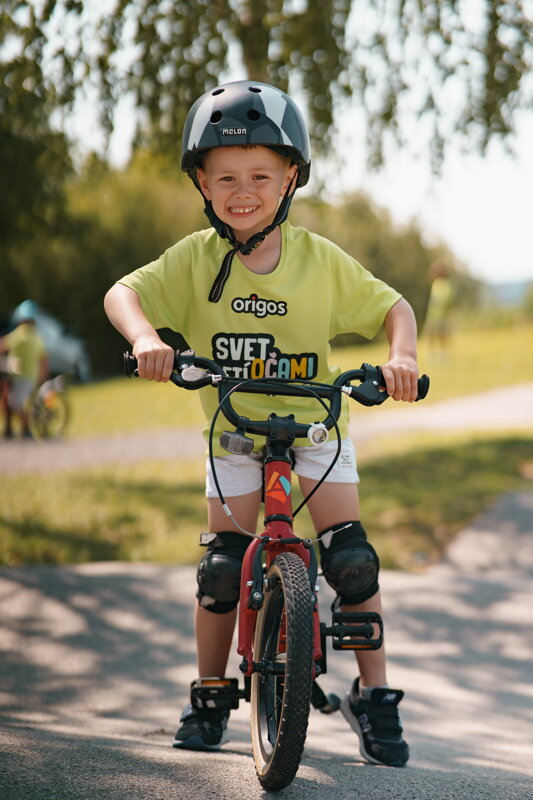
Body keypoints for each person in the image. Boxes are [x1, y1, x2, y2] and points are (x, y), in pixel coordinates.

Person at [104, 81, 419, 767]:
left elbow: (393, 305)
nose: (241, 191)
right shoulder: (192, 261)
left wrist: (401, 357)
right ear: (201, 182)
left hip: (315, 432)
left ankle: (375, 696)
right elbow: (122, 292)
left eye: (259, 177)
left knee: (352, 562)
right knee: (221, 570)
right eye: (224, 178)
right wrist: (144, 340)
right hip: (235, 435)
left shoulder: (318, 262)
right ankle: (211, 693)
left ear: (290, 179)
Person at [0, 301, 48, 439]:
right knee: (9, 396)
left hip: (20, 377)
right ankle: (10, 429)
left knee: (13, 401)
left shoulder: (20, 334)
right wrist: (42, 374)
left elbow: (3, 345)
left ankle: (26, 428)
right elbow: (44, 358)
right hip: (29, 377)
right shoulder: (36, 336)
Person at [424, 259, 456, 360]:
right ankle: (432, 355)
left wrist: (447, 314)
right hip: (432, 316)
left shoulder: (447, 285)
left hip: (442, 316)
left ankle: (443, 355)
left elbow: (448, 300)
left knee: (442, 337)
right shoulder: (435, 284)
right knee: (431, 336)